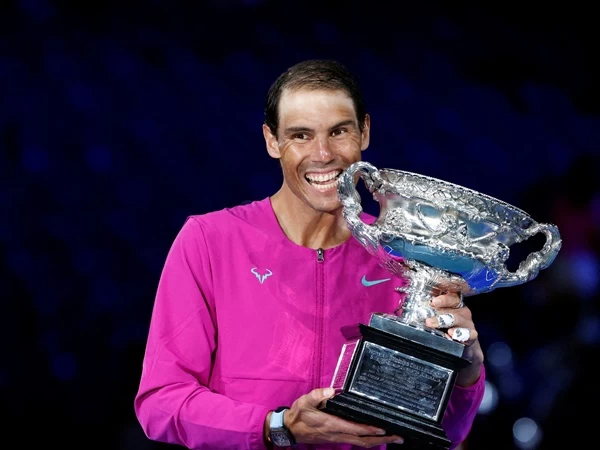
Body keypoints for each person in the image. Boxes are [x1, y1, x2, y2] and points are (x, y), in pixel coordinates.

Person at [134, 59, 486, 449]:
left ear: (365, 131)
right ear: (272, 141)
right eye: (301, 135)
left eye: (339, 131)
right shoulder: (209, 241)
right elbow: (161, 404)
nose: (323, 154)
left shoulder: (405, 258)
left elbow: (445, 435)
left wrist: (465, 372)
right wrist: (277, 427)